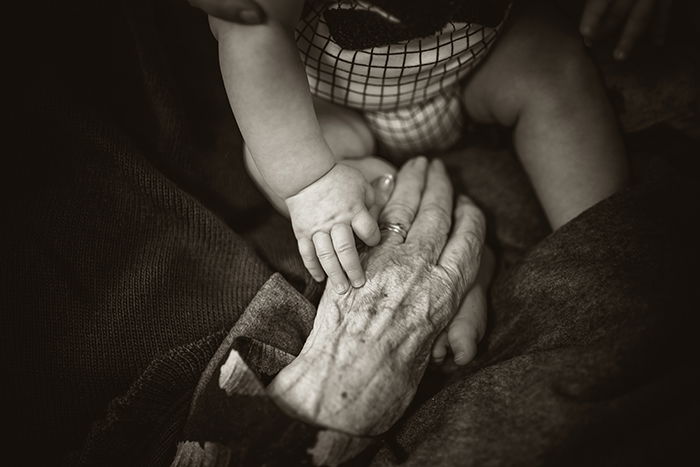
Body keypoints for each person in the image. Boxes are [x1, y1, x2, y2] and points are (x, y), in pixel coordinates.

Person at [204, 0, 672, 364]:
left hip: (480, 61)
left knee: (557, 70)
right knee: (281, 164)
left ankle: (600, 256)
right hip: (330, 100)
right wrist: (312, 181)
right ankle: (448, 266)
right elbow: (253, 29)